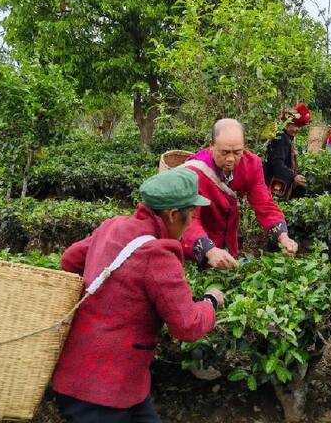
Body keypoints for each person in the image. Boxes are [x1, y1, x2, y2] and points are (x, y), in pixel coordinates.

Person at [52, 168, 224, 423]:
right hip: (99, 393)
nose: (190, 225)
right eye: (191, 217)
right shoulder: (158, 254)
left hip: (111, 381)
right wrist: (210, 301)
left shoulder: (114, 225)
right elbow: (187, 326)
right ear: (174, 215)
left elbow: (69, 259)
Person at [181, 118, 300, 270]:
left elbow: (264, 203)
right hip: (198, 241)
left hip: (229, 238)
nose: (231, 159)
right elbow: (188, 220)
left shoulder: (252, 164)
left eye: (237, 152)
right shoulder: (193, 172)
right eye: (224, 152)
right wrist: (208, 250)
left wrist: (283, 236)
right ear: (211, 146)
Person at [263, 103, 313, 199]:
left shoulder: (286, 137)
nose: (296, 129)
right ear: (286, 124)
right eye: (293, 126)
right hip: (275, 183)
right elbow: (277, 163)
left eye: (299, 126)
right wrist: (293, 176)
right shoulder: (281, 137)